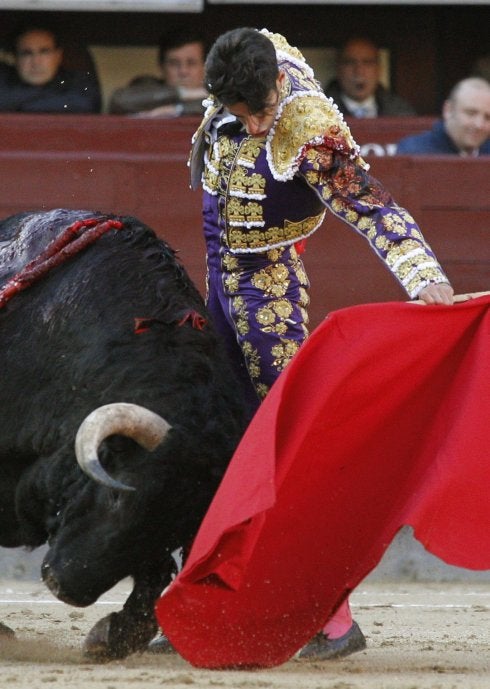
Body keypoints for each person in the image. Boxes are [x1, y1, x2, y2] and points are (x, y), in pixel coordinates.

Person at [149, 27, 454, 661]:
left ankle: (334, 620)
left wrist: (422, 274)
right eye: (240, 114)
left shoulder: (310, 128)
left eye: (260, 111)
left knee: (288, 453)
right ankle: (206, 600)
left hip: (270, 298)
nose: (255, 125)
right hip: (220, 287)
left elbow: (372, 205)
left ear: (276, 87)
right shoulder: (242, 69)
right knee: (221, 443)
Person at [0, 24, 101, 113]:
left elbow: (83, 105)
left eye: (44, 52)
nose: (36, 62)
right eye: (27, 53)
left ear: (58, 56)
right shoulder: (4, 80)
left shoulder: (78, 81)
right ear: (14, 58)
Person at [109, 29, 207, 117]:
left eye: (191, 63)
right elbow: (119, 101)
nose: (183, 71)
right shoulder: (147, 85)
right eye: (174, 63)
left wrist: (176, 110)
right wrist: (182, 93)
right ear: (162, 67)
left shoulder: (214, 95)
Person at [324, 36, 416, 118]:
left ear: (379, 69)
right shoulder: (319, 110)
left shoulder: (400, 112)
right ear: (338, 69)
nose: (359, 71)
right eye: (350, 62)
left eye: (367, 62)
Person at [396, 77, 490, 156]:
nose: (479, 124)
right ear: (448, 110)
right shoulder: (414, 153)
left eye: (488, 117)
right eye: (471, 113)